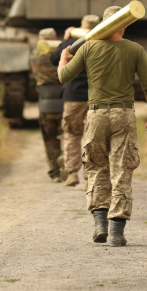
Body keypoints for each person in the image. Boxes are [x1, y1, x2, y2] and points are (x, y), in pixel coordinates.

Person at [57, 6, 147, 247]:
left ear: (103, 25)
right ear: (123, 25)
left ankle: (100, 223)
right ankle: (116, 232)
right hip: (124, 114)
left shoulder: (89, 47)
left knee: (95, 167)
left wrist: (63, 58)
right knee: (122, 169)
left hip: (96, 115)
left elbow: (63, 77)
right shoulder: (135, 49)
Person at [50, 15, 100, 187]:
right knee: (91, 136)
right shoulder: (104, 43)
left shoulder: (73, 43)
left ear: (82, 27)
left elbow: (54, 58)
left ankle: (72, 173)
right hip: (96, 95)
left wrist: (66, 40)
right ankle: (89, 178)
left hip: (73, 97)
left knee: (72, 133)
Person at [30, 28, 64, 182]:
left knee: (49, 138)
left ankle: (54, 171)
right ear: (55, 38)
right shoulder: (64, 53)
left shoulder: (35, 56)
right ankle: (67, 163)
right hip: (65, 101)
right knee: (68, 136)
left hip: (45, 102)